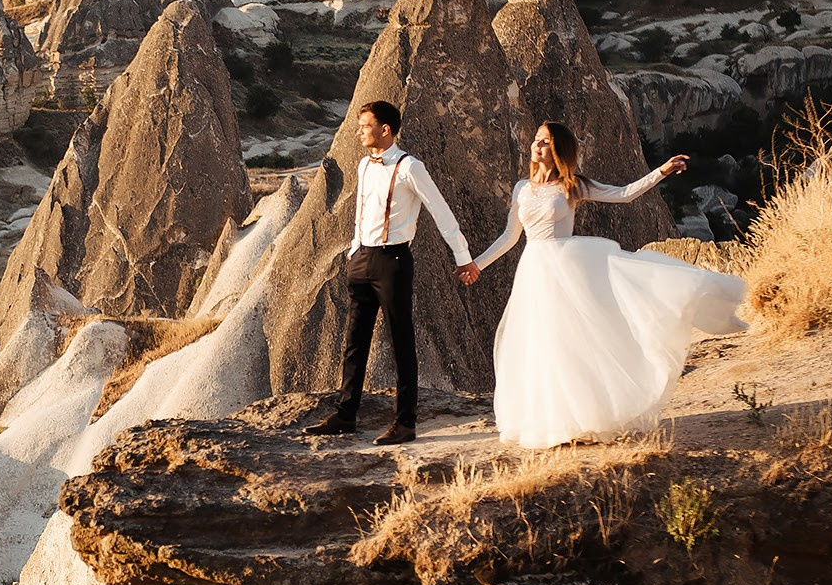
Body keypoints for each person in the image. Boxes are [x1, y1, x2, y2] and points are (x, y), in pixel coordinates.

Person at [469, 120, 746, 450]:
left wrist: (661, 171)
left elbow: (625, 194)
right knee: (540, 342)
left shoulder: (573, 186)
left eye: (544, 142)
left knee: (573, 342)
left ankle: (584, 418)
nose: (536, 146)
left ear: (558, 150)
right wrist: (476, 264)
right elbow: (509, 237)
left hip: (568, 269)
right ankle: (550, 420)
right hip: (534, 272)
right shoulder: (522, 189)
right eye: (536, 140)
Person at [303, 100, 480, 445]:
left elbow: (441, 212)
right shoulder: (363, 166)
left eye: (365, 126)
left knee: (402, 341)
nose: (359, 132)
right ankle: (345, 414)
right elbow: (361, 210)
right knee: (355, 342)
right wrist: (355, 248)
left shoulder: (410, 166)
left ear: (386, 130)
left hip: (393, 261)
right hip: (362, 259)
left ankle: (405, 423)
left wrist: (463, 257)